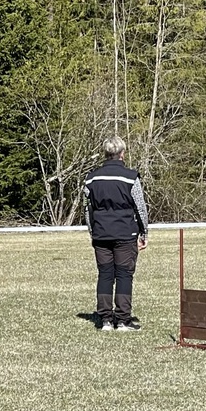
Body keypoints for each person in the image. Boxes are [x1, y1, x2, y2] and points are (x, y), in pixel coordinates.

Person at [83, 135, 150, 332]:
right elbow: (140, 207)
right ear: (122, 153)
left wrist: (92, 231)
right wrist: (144, 233)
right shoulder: (130, 177)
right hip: (125, 234)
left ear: (105, 153)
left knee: (105, 274)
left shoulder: (91, 178)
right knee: (124, 275)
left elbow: (87, 209)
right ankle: (122, 320)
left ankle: (105, 319)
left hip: (101, 234)